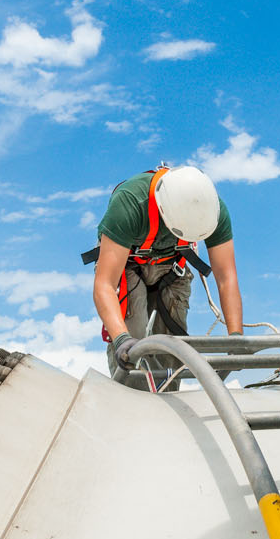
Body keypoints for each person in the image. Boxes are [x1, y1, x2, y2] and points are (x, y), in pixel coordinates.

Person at [84, 165, 242, 390]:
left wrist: (235, 337)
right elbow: (105, 284)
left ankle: (170, 405)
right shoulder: (130, 203)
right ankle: (131, 402)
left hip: (172, 268)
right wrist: (121, 339)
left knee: (172, 349)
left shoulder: (212, 210)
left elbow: (226, 277)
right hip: (127, 266)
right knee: (133, 348)